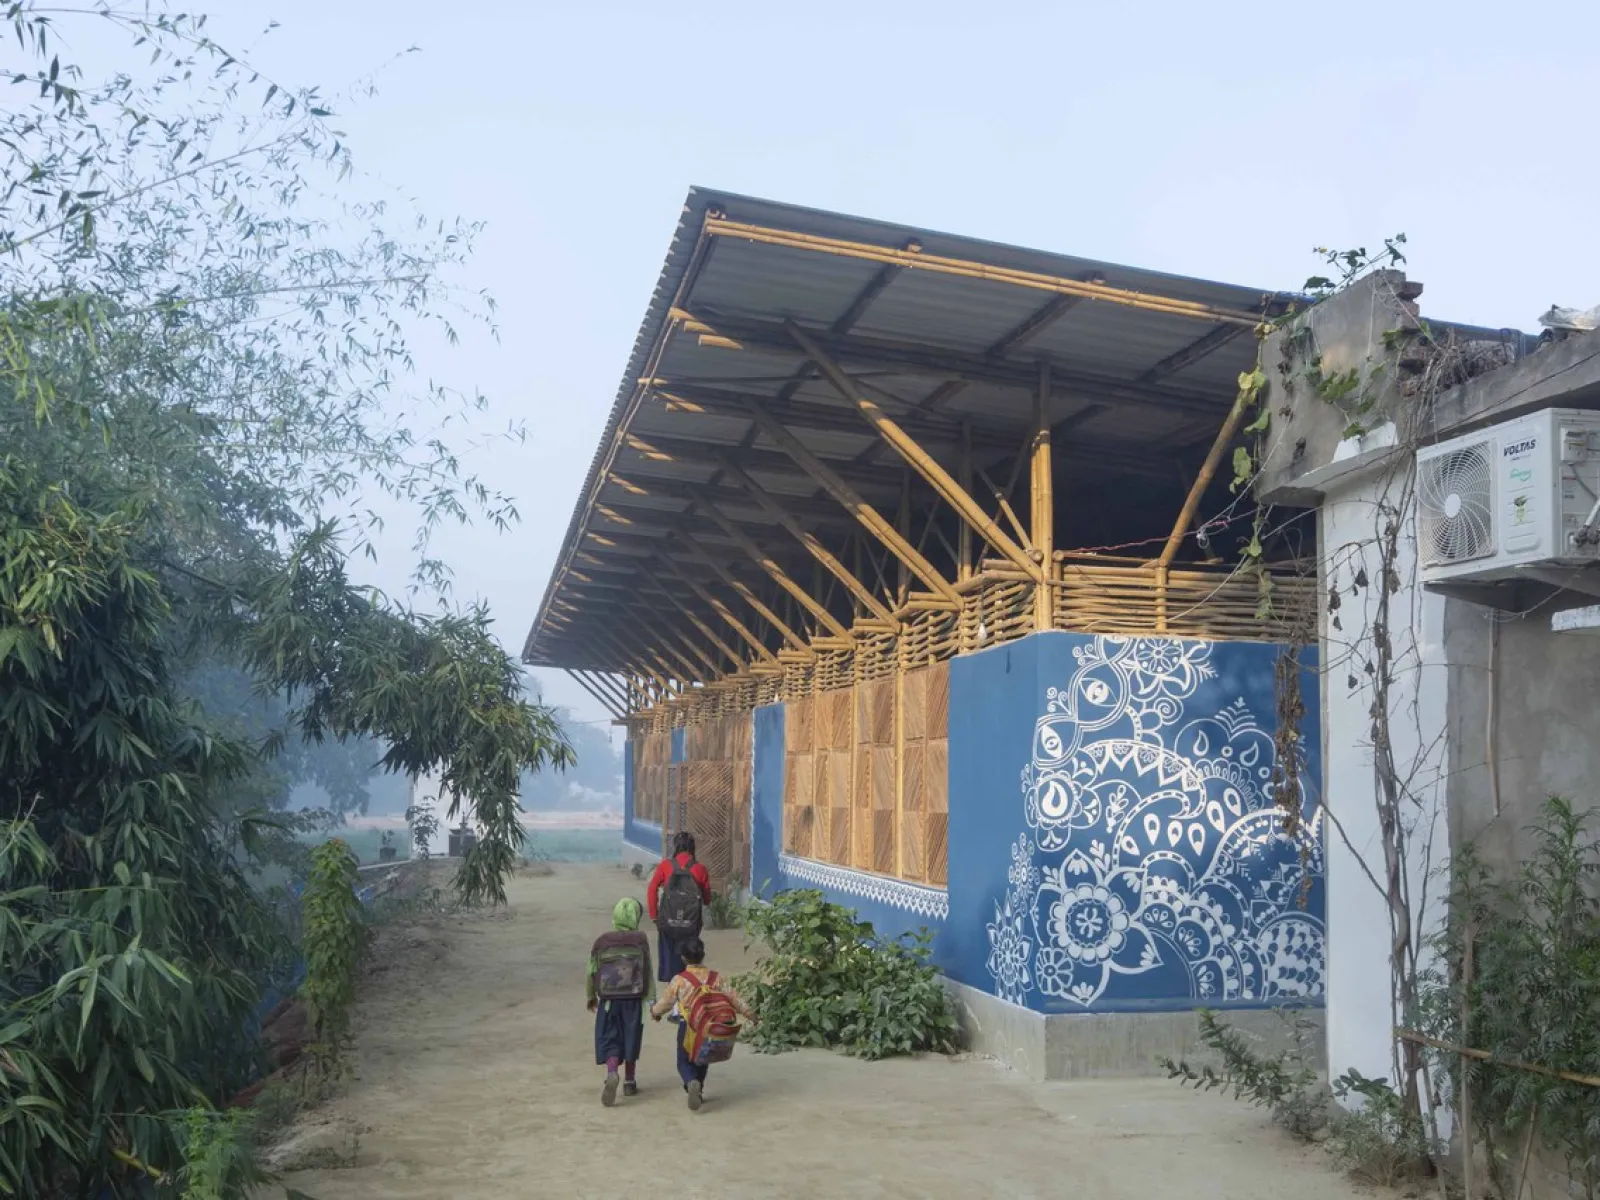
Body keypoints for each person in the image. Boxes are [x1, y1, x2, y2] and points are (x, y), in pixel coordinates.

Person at [650, 936, 755, 1111]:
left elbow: (666, 1003)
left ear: (683, 958)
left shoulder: (680, 979)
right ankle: (699, 1087)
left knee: (683, 1060)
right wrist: (751, 1015)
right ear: (703, 955)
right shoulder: (715, 978)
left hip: (689, 1026)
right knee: (703, 1058)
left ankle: (691, 1082)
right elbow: (734, 998)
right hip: (711, 1027)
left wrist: (655, 1012)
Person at [586, 897, 654, 1107]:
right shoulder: (640, 939)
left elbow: (591, 971)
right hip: (633, 1000)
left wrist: (590, 996)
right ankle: (630, 1082)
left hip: (608, 1001)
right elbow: (648, 971)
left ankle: (612, 1072)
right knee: (631, 1038)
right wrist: (651, 1000)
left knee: (611, 1038)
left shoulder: (602, 941)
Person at [645, 831, 710, 987]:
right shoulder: (700, 869)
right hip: (690, 925)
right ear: (692, 847)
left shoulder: (666, 866)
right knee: (690, 963)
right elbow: (707, 899)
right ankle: (687, 999)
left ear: (675, 846)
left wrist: (655, 916)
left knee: (670, 963)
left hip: (668, 922)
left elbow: (652, 890)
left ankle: (673, 997)